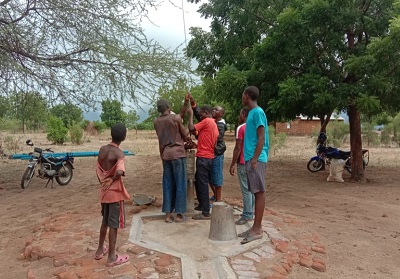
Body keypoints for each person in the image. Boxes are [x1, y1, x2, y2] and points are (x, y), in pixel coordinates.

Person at [94, 123, 130, 266]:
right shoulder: (119, 153)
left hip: (103, 192)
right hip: (114, 194)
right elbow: (120, 171)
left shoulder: (102, 149)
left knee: (105, 221)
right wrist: (111, 180)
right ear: (124, 137)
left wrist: (104, 182)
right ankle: (111, 257)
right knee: (113, 224)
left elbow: (97, 169)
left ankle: (99, 250)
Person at [238, 86, 269, 245]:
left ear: (247, 96)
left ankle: (257, 229)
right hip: (251, 158)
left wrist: (255, 159)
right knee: (255, 191)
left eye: (243, 95)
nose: (242, 97)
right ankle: (254, 227)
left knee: (259, 192)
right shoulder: (251, 114)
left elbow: (261, 137)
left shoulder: (257, 112)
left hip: (257, 158)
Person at [153, 99, 189, 223]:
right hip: (178, 154)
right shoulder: (176, 118)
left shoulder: (156, 122)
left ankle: (168, 215)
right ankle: (179, 214)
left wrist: (161, 155)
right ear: (169, 107)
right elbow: (185, 135)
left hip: (166, 155)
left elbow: (160, 141)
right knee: (180, 183)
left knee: (167, 185)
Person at [187, 93, 227, 202]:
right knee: (208, 178)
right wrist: (192, 101)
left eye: (216, 110)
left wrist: (197, 135)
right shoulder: (211, 122)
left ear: (221, 114)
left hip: (216, 154)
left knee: (216, 177)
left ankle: (218, 199)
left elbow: (213, 138)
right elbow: (198, 114)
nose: (214, 110)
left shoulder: (220, 125)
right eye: (213, 109)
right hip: (210, 153)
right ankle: (214, 197)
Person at [187, 105, 219, 220]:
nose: (200, 116)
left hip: (203, 158)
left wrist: (190, 114)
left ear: (206, 112)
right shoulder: (214, 124)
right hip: (209, 157)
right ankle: (202, 205)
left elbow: (191, 128)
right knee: (199, 182)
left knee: (203, 184)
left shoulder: (207, 121)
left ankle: (205, 212)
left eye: (201, 114)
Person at [229, 107, 255, 225]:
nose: (239, 117)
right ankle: (251, 211)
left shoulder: (241, 128)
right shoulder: (255, 126)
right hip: (254, 162)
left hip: (243, 162)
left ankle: (247, 215)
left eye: (240, 114)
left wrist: (233, 163)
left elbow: (238, 148)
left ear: (244, 115)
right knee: (252, 189)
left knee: (246, 190)